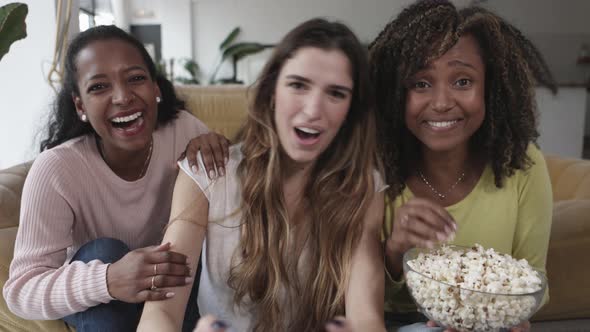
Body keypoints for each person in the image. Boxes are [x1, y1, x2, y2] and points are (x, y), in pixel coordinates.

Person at [137, 18, 387, 332]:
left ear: (352, 111)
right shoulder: (208, 174)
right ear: (271, 91)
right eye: (298, 85)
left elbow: (366, 318)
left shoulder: (365, 186)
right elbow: (160, 314)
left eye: (336, 93)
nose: (312, 110)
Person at [3, 25, 210, 332]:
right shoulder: (57, 168)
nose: (123, 97)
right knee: (104, 252)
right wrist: (108, 278)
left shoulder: (184, 131)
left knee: (192, 262)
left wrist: (217, 146)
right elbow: (20, 292)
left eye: (136, 78)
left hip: (169, 290)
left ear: (156, 88)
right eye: (99, 87)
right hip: (102, 301)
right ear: (80, 106)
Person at [368, 0, 555, 331]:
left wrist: (512, 317)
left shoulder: (523, 166)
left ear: (491, 88)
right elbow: (358, 303)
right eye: (420, 83)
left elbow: (531, 283)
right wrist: (395, 249)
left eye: (463, 82)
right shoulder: (375, 167)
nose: (441, 103)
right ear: (396, 92)